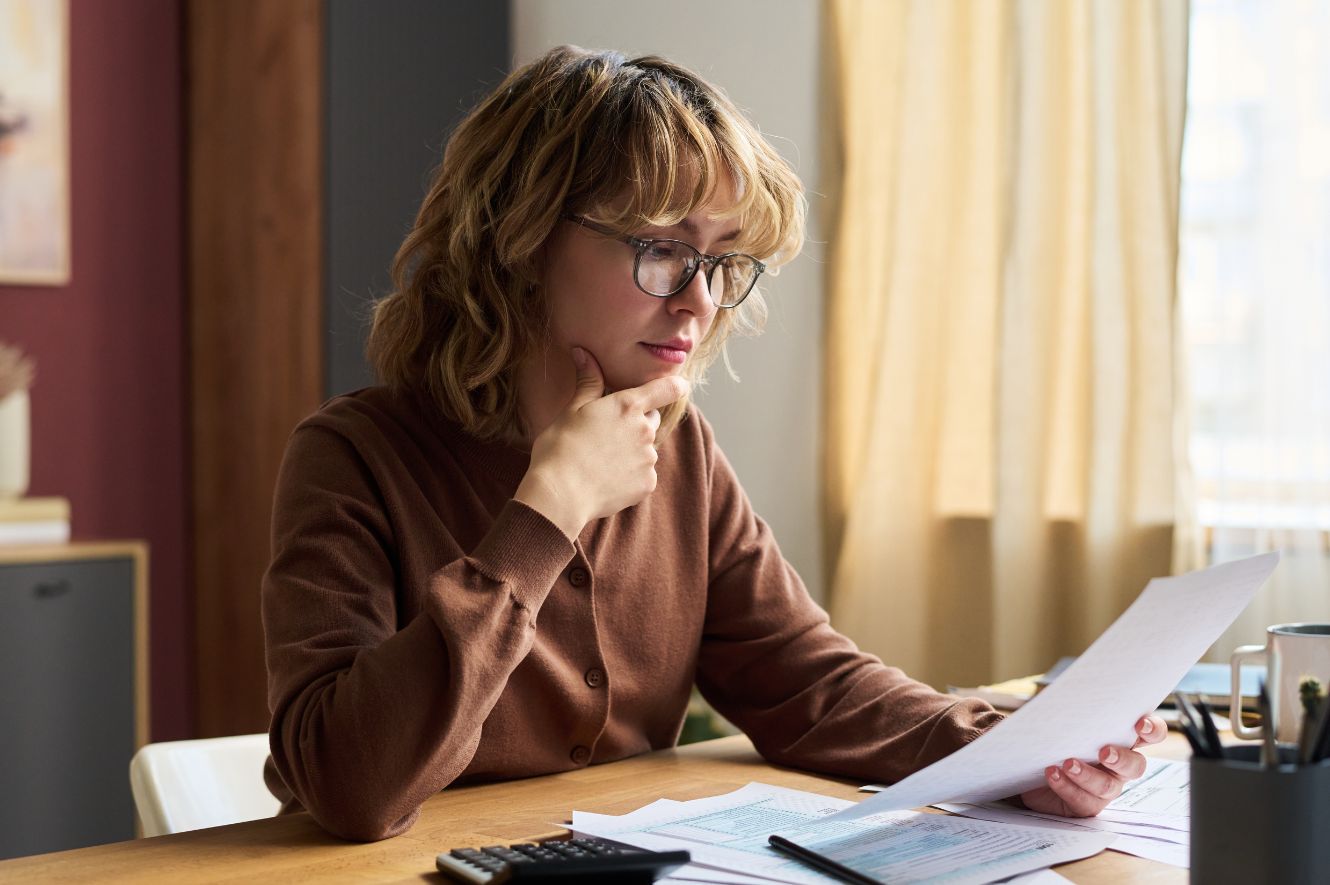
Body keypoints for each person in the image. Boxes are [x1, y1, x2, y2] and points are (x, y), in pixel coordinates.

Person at [260, 45, 1165, 842]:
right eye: (663, 248)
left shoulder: (679, 450)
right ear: (521, 238)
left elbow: (812, 687)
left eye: (724, 259)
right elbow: (351, 787)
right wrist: (550, 509)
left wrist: (1025, 751)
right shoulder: (353, 458)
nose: (699, 298)